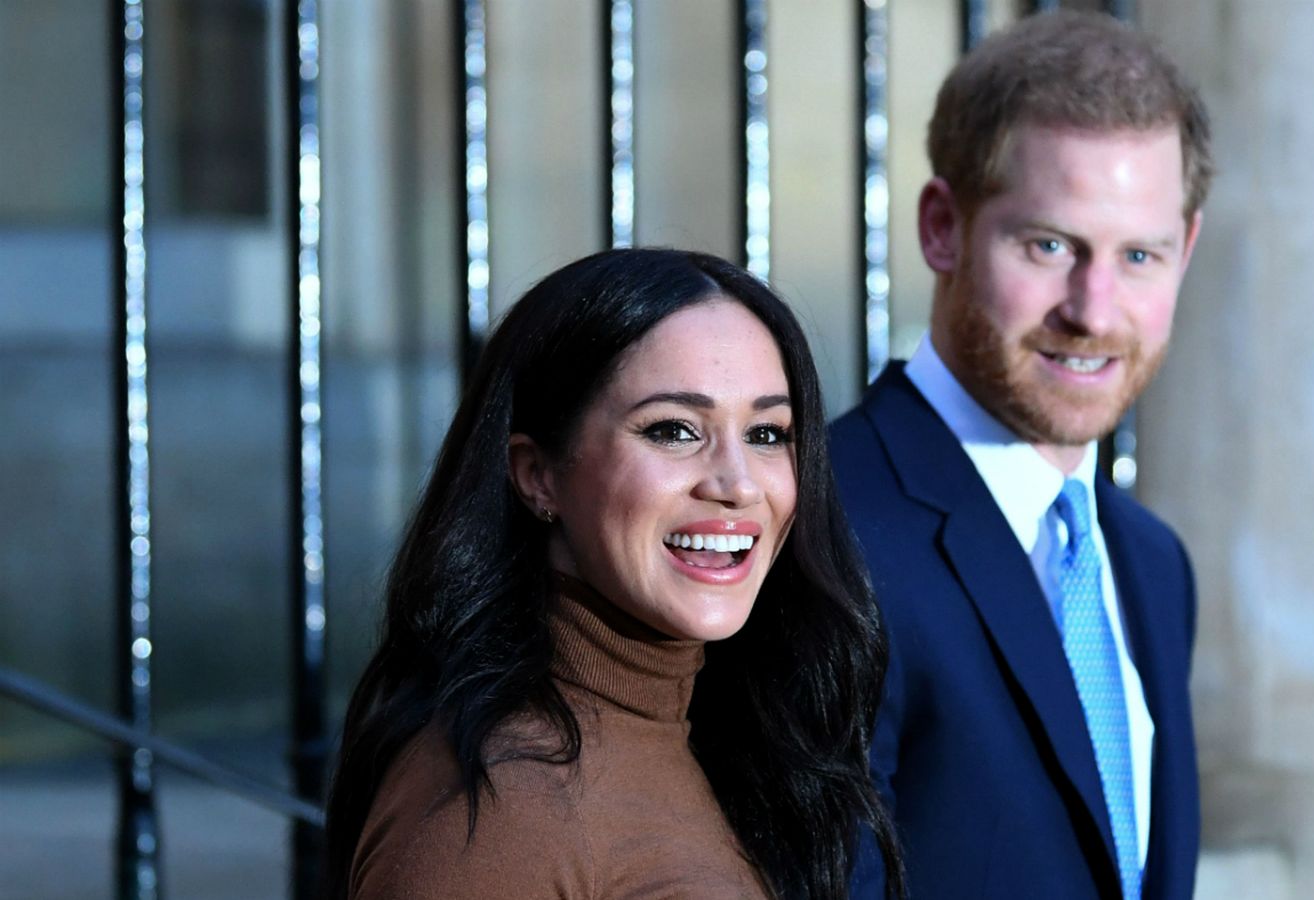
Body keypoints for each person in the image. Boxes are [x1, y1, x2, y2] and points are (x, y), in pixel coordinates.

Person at [323, 248, 902, 899]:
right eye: (674, 430)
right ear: (537, 474)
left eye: (767, 434)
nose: (737, 484)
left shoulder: (718, 729)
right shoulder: (501, 813)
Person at [834, 10, 1212, 899]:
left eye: (1140, 255)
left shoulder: (1155, 565)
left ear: (1186, 251)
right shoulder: (825, 528)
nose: (1093, 307)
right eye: (1050, 245)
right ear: (941, 228)